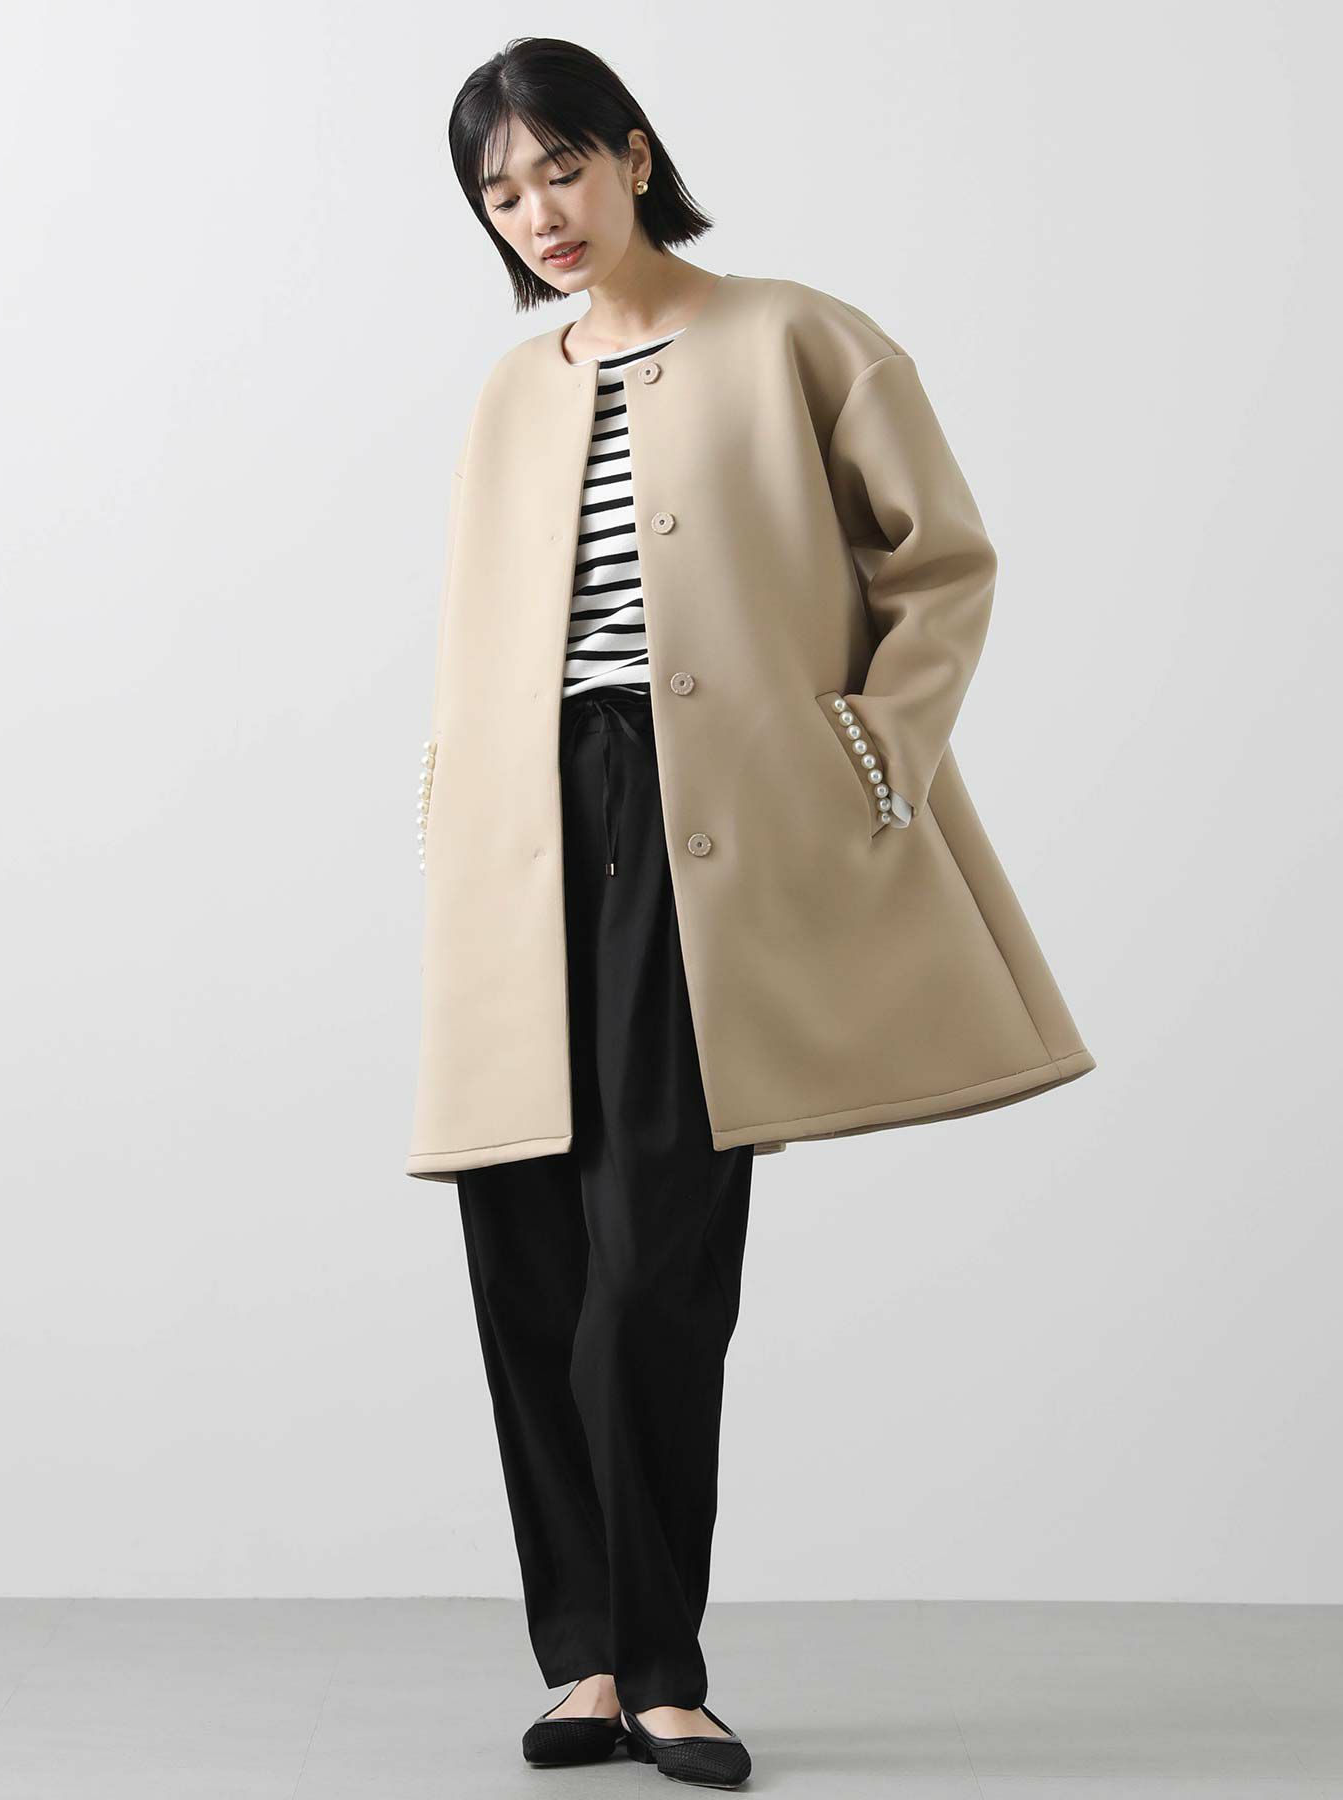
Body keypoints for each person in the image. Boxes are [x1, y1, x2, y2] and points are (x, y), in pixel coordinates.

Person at [414, 33, 1094, 1792]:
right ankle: (584, 1659)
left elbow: (941, 560)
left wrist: (876, 742)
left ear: (635, 155)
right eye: (500, 191)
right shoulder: (513, 394)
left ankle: (665, 1669)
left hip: (700, 816)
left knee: (655, 1250)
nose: (538, 212)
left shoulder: (796, 335)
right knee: (526, 1248)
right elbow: (480, 632)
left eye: (562, 166)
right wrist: (455, 801)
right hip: (524, 829)